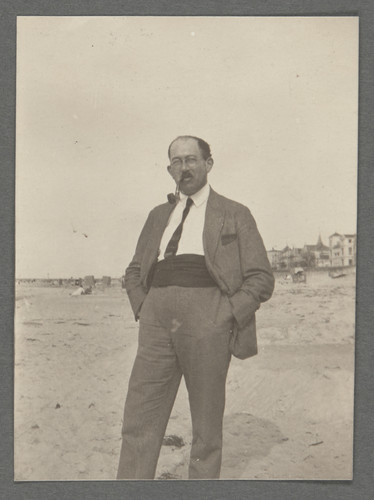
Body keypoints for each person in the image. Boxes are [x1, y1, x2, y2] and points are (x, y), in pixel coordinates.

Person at [117, 135, 274, 480]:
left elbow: (261, 277)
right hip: (156, 319)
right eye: (177, 161)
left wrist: (226, 315)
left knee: (206, 427)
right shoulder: (158, 215)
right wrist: (143, 306)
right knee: (139, 419)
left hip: (209, 317)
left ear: (208, 164)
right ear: (169, 169)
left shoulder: (235, 213)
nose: (184, 167)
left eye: (191, 159)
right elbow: (134, 269)